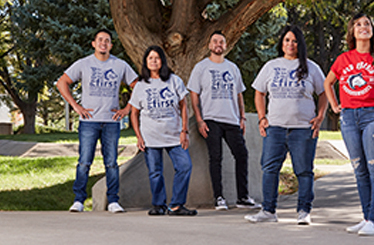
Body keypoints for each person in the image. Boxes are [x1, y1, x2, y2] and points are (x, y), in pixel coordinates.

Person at [244, 25, 327, 225]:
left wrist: (320, 116)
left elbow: (323, 93)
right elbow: (259, 93)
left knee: (304, 170)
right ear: (282, 43)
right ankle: (268, 211)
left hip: (303, 129)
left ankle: (304, 211)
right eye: (287, 40)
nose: (290, 44)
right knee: (270, 168)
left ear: (300, 45)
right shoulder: (271, 66)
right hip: (275, 128)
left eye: (295, 41)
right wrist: (262, 117)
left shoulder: (311, 67)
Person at [324, 13, 374, 235]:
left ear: (372, 31)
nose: (363, 27)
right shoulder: (344, 59)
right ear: (352, 31)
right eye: (358, 24)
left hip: (373, 116)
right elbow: (328, 83)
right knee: (359, 169)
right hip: (349, 118)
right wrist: (335, 106)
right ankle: (366, 219)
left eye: (367, 24)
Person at [57, 28, 138, 213]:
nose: (103, 43)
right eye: (100, 40)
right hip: (89, 121)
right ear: (94, 43)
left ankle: (113, 201)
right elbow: (62, 82)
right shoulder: (84, 64)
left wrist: (127, 109)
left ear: (111, 45)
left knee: (111, 163)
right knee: (85, 162)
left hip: (111, 122)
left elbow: (138, 86)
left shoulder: (120, 65)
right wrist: (75, 106)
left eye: (107, 40)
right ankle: (78, 200)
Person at [187, 31, 260, 210]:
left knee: (242, 155)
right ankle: (219, 198)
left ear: (226, 46)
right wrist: (199, 120)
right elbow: (194, 95)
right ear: (209, 45)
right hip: (211, 119)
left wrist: (242, 117)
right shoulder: (201, 67)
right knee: (216, 157)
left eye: (221, 41)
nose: (218, 44)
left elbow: (239, 95)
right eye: (215, 41)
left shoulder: (233, 68)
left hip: (232, 120)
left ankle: (242, 197)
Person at [129, 45, 197, 216]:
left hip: (174, 135)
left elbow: (183, 106)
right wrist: (138, 137)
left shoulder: (174, 80)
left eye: (157, 58)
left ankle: (176, 205)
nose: (153, 61)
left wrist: (184, 130)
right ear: (145, 62)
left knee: (184, 166)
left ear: (162, 61)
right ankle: (159, 205)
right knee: (155, 172)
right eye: (150, 58)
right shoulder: (140, 85)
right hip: (151, 137)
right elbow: (134, 113)